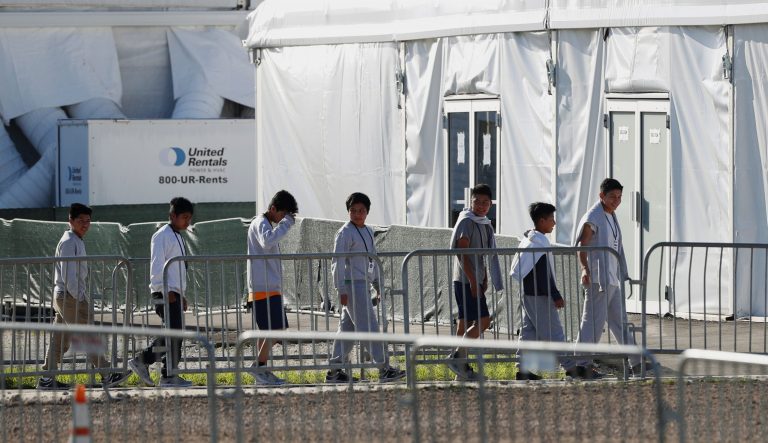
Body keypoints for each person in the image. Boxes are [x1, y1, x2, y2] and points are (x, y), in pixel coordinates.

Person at [37, 203, 131, 390]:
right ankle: (107, 374)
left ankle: (47, 378)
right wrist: (80, 298)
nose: (85, 224)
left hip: (66, 296)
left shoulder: (74, 240)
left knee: (60, 339)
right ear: (70, 220)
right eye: (81, 220)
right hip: (70, 297)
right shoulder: (70, 241)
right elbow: (69, 274)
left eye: (88, 221)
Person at [326, 192, 406, 383]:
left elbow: (373, 258)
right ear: (348, 212)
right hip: (352, 286)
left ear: (367, 212)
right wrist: (341, 290)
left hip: (363, 285)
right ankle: (384, 368)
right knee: (369, 327)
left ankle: (335, 370)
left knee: (347, 329)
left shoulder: (368, 231)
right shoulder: (344, 233)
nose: (357, 214)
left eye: (361, 210)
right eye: (353, 210)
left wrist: (377, 284)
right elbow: (336, 262)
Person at [571, 178, 641, 378]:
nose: (616, 201)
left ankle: (636, 363)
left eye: (619, 197)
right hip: (598, 279)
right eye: (612, 197)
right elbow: (582, 246)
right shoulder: (593, 216)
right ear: (601, 196)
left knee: (620, 322)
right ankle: (581, 364)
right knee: (592, 322)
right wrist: (585, 269)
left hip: (611, 278)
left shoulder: (611, 215)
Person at [129, 197, 194, 388]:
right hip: (163, 293)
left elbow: (178, 269)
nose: (187, 221)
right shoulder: (161, 235)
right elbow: (157, 267)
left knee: (176, 334)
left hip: (174, 293)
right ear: (172, 216)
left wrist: (181, 294)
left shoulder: (178, 236)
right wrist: (165, 291)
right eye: (184, 217)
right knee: (172, 333)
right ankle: (143, 361)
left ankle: (168, 375)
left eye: (189, 218)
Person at [446, 184, 504, 381]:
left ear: (490, 204)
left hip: (475, 279)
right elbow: (462, 253)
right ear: (470, 202)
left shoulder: (484, 223)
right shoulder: (467, 221)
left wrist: (485, 276)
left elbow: (482, 255)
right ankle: (457, 357)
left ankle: (461, 372)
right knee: (484, 321)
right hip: (464, 280)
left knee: (465, 322)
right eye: (477, 201)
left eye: (485, 203)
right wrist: (472, 280)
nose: (481, 206)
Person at [510, 202, 568, 380]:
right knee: (554, 331)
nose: (554, 223)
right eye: (551, 219)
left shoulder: (531, 241)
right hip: (540, 295)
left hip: (530, 293)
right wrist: (555, 294)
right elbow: (544, 274)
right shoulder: (539, 244)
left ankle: (523, 370)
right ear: (542, 221)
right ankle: (572, 367)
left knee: (529, 332)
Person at [246, 190, 298, 385]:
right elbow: (267, 242)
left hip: (267, 287)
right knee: (276, 330)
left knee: (269, 331)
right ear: (273, 209)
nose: (284, 220)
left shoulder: (264, 223)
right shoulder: (261, 223)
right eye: (283, 215)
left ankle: (262, 371)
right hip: (263, 287)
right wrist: (286, 224)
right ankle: (259, 367)